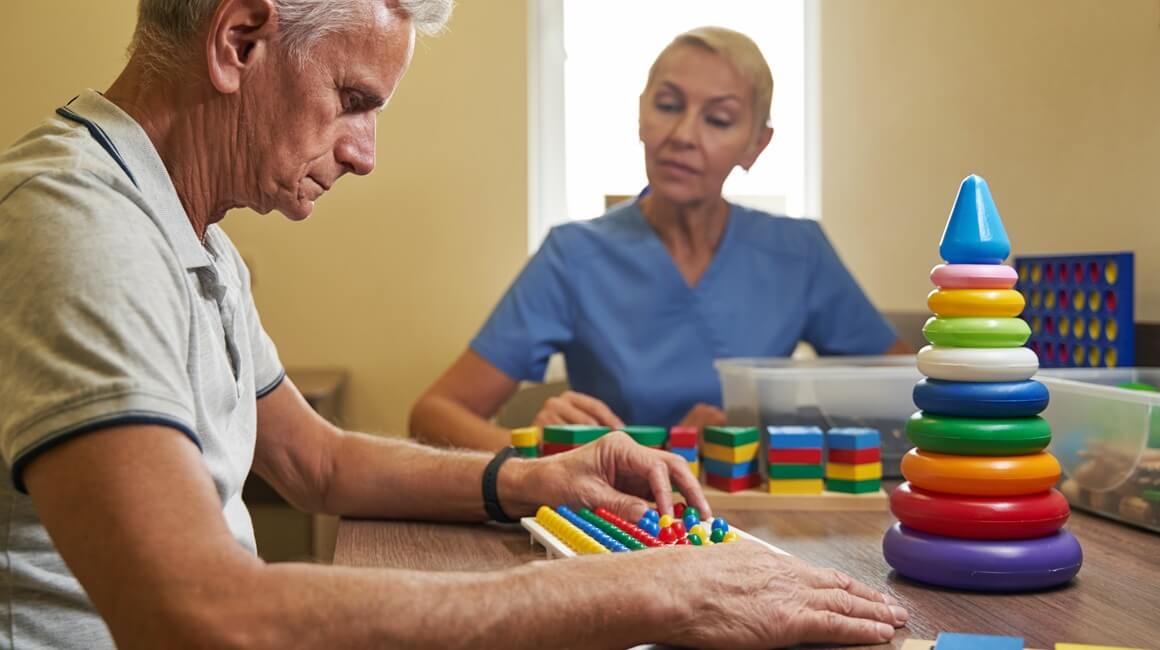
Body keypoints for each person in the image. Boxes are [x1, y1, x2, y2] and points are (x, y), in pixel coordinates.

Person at [0, 2, 907, 647]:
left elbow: (315, 461)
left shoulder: (189, 237)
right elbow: (195, 617)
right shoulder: (76, 224)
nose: (363, 154)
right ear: (239, 39)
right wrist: (643, 593)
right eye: (355, 100)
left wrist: (540, 476)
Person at [410, 26, 908, 451]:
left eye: (718, 119)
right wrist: (548, 454)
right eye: (668, 105)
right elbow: (433, 414)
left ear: (756, 145)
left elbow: (910, 400)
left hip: (759, 525)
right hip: (618, 521)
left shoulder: (798, 253)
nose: (683, 135)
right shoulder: (573, 255)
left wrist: (760, 433)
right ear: (641, 114)